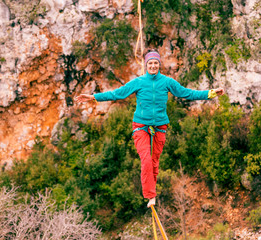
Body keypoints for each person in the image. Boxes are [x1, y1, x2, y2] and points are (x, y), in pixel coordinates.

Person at [75, 49, 224, 208]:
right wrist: (94, 97)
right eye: (150, 63)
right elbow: (118, 94)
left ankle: (151, 189)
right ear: (146, 65)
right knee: (145, 159)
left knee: (154, 162)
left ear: (159, 65)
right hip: (141, 126)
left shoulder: (167, 82)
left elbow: (187, 93)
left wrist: (210, 94)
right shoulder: (139, 82)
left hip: (159, 126)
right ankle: (150, 195)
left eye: (155, 63)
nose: (153, 66)